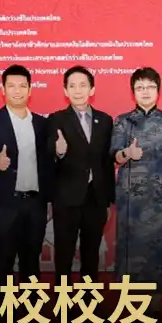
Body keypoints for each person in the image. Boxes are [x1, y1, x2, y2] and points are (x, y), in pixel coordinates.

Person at [111, 67, 162, 304]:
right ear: (133, 92)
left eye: (150, 87)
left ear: (158, 90)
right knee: (130, 248)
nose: (145, 92)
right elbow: (114, 156)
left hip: (161, 197)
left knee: (160, 247)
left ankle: (156, 298)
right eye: (140, 87)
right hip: (130, 199)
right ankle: (130, 298)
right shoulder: (123, 121)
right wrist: (127, 153)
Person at [0, 64, 54, 287]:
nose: (17, 90)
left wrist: (49, 199)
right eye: (11, 86)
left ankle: (31, 303)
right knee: (4, 259)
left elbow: (47, 163)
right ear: (3, 89)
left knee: (32, 260)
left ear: (30, 90)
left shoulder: (42, 123)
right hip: (4, 202)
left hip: (35, 203)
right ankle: (6, 305)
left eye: (22, 86)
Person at [47, 66, 114, 283]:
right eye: (72, 86)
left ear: (92, 89)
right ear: (65, 91)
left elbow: (106, 161)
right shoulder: (56, 119)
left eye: (83, 85)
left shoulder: (105, 120)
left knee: (91, 253)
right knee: (64, 253)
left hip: (95, 198)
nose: (78, 90)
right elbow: (47, 154)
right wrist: (58, 151)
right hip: (66, 197)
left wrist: (108, 199)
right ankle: (63, 299)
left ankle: (89, 298)